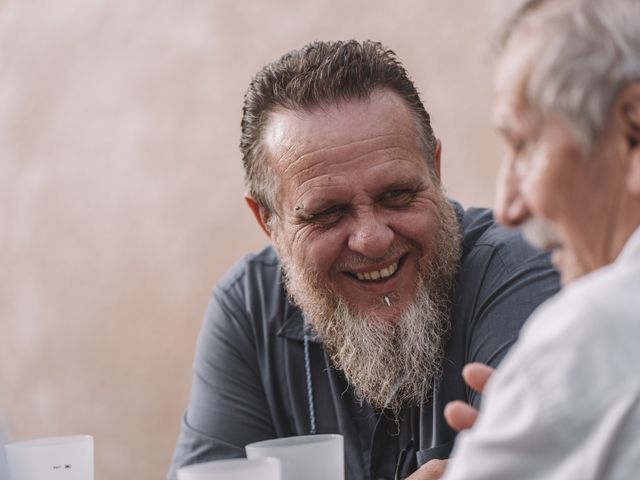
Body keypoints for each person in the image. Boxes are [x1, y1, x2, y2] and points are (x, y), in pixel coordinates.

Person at [167, 40, 560, 480]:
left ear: (435, 169)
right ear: (269, 223)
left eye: (397, 195)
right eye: (327, 213)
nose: (372, 240)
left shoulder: (517, 269)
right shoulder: (248, 307)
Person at [422, 0, 640, 479]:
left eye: (523, 144)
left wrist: (552, 395)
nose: (507, 206)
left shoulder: (587, 335)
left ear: (632, 129)